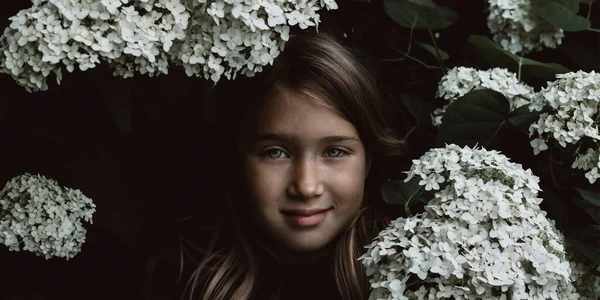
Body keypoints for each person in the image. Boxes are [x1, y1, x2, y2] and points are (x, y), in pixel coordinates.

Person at [177, 31, 407, 300]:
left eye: (334, 151)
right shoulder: (181, 276)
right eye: (275, 153)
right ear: (237, 156)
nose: (307, 187)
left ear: (368, 160)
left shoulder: (406, 273)